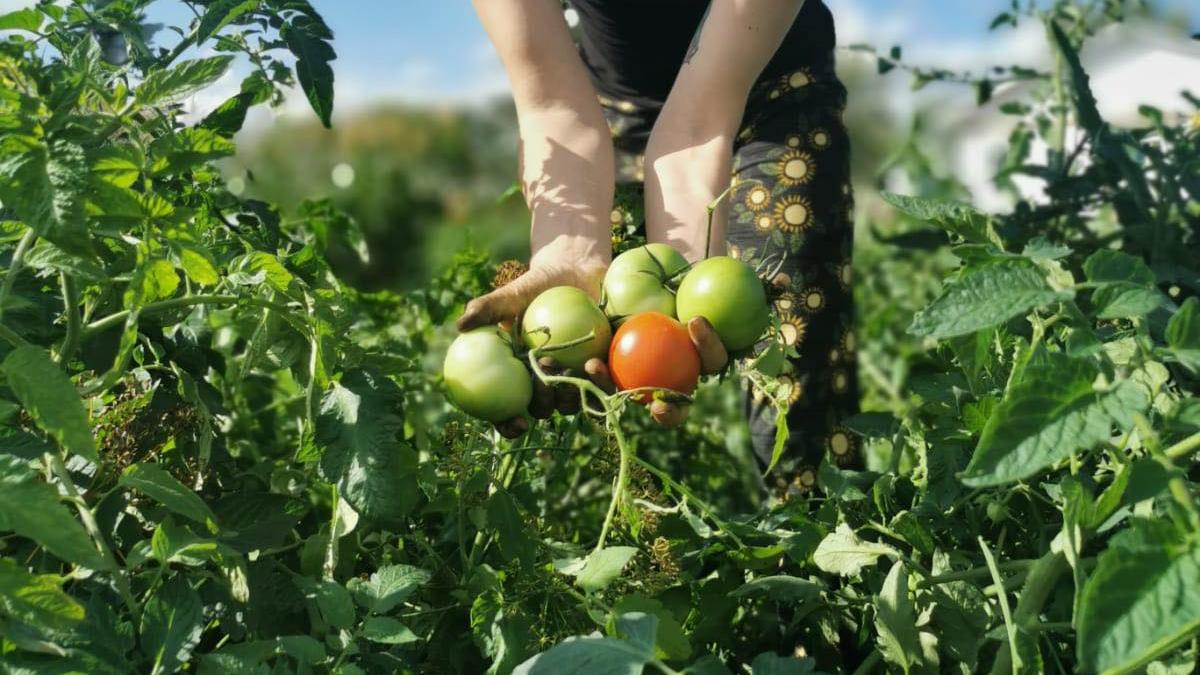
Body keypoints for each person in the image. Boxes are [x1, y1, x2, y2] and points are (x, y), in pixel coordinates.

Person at [459, 0, 859, 491]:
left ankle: (823, 523)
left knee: (796, 335)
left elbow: (702, 115)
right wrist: (567, 255)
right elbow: (553, 107)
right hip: (611, 107)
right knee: (620, 382)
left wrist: (684, 286)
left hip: (777, 92)